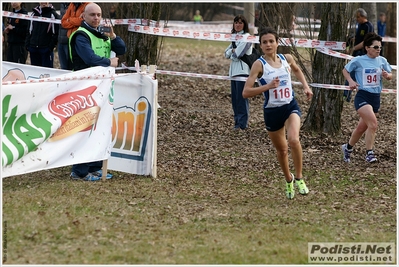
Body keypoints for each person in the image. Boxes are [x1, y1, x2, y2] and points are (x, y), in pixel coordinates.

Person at [242, 27, 313, 200]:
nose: (268, 44)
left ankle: (299, 177)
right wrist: (267, 86)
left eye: (271, 41)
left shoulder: (286, 58)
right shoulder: (259, 65)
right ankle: (288, 180)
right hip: (272, 111)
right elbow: (246, 92)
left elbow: (296, 69)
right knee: (282, 151)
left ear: (277, 42)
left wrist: (305, 86)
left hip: (290, 106)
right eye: (264, 42)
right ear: (260, 45)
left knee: (294, 140)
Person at [68, 2, 126, 181]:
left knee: (100, 127)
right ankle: (79, 171)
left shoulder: (103, 34)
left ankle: (95, 167)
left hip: (102, 88)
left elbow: (122, 49)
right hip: (84, 88)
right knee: (85, 128)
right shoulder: (80, 35)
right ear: (83, 16)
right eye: (92, 15)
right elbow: (89, 58)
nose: (96, 18)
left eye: (99, 15)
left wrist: (114, 35)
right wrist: (110, 63)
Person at [341, 32, 392, 164]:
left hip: (376, 97)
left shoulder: (382, 60)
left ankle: (347, 148)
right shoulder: (358, 60)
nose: (378, 50)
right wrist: (351, 82)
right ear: (367, 48)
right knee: (373, 124)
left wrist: (387, 76)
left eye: (380, 47)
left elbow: (390, 74)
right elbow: (345, 70)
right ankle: (369, 153)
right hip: (363, 96)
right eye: (375, 47)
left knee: (362, 128)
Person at [224, 15, 253, 130]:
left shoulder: (246, 37)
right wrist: (232, 50)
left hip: (242, 72)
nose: (238, 24)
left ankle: (242, 124)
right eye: (236, 22)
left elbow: (238, 55)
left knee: (241, 99)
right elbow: (226, 53)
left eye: (240, 23)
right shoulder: (235, 37)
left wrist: (232, 52)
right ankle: (237, 123)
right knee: (235, 100)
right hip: (233, 73)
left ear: (244, 25)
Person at [344, 8, 374, 102]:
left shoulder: (368, 26)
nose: (356, 19)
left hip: (362, 54)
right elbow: (359, 38)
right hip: (356, 54)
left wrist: (353, 48)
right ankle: (347, 95)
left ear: (362, 16)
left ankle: (346, 95)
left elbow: (365, 42)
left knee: (352, 74)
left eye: (358, 17)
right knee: (352, 74)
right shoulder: (360, 25)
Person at [25, 2, 60, 68]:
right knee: (35, 72)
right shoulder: (33, 14)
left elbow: (55, 33)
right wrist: (28, 45)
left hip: (46, 49)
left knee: (46, 73)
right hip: (33, 48)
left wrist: (50, 47)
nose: (44, 2)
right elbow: (29, 30)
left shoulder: (53, 14)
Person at [57, 3, 70, 70]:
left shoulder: (75, 5)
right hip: (60, 41)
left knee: (70, 67)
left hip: (69, 41)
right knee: (63, 67)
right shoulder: (62, 4)